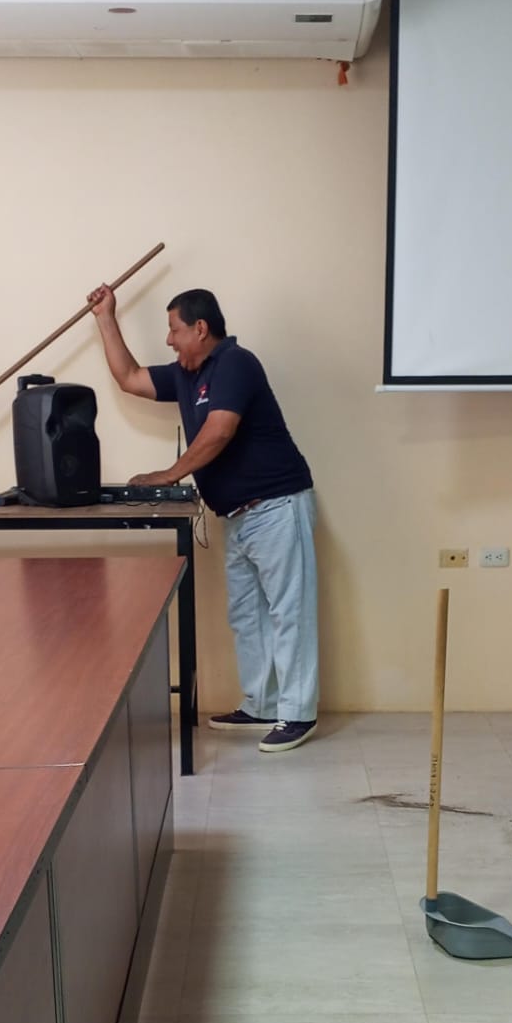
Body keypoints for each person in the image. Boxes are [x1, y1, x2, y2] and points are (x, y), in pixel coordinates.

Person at [87, 283, 318, 753]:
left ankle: (298, 713)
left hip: (276, 505)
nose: (168, 340)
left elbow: (219, 430)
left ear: (200, 328)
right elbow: (129, 377)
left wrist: (167, 474)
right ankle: (262, 704)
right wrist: (105, 317)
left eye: (173, 330)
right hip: (236, 515)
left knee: (288, 613)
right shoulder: (185, 375)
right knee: (247, 615)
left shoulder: (235, 363)